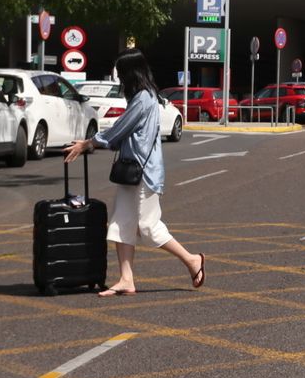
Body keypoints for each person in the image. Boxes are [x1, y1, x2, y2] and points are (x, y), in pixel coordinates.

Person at [64, 49, 205, 296]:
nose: (119, 78)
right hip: (131, 170)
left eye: (120, 73)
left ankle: (192, 260)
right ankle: (126, 279)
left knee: (148, 226)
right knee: (121, 223)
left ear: (131, 73)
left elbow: (119, 129)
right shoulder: (142, 97)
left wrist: (88, 143)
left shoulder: (144, 99)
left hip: (143, 172)